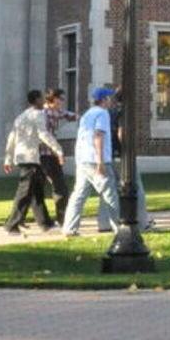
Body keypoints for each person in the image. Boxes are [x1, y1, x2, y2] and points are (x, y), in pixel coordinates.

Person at [3, 89, 64, 235]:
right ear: (36, 100)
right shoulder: (38, 115)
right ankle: (12, 225)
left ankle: (45, 224)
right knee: (24, 193)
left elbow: (12, 137)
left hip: (23, 157)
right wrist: (58, 150)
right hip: (31, 158)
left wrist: (8, 158)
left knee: (36, 192)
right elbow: (43, 134)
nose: (44, 100)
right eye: (41, 98)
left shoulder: (21, 116)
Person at [61, 87, 121, 236]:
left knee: (79, 195)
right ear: (104, 100)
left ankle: (69, 228)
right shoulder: (102, 113)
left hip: (83, 160)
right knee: (110, 194)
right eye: (109, 97)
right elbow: (98, 136)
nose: (111, 100)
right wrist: (100, 161)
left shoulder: (87, 114)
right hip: (96, 160)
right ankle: (120, 229)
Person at [97, 87, 153, 232]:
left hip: (110, 156)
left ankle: (104, 223)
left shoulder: (109, 113)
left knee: (109, 189)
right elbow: (122, 133)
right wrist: (128, 150)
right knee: (136, 188)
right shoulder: (125, 113)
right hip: (123, 156)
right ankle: (142, 222)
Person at [40, 88, 76, 226]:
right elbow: (44, 136)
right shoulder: (44, 113)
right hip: (44, 155)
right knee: (59, 186)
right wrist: (59, 152)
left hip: (51, 155)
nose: (62, 102)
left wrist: (81, 117)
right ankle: (60, 219)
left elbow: (68, 115)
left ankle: (60, 218)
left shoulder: (55, 112)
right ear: (53, 99)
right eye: (61, 99)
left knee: (55, 187)